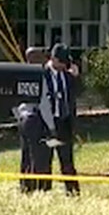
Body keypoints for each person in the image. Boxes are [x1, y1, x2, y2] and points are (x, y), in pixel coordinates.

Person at [15, 47, 55, 193]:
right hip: (37, 119)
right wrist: (51, 127)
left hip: (24, 119)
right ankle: (42, 188)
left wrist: (19, 116)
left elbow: (14, 99)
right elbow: (44, 103)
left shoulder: (21, 75)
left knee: (26, 155)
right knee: (41, 156)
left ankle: (26, 187)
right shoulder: (40, 75)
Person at [43, 43, 80, 194]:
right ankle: (45, 191)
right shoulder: (43, 74)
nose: (65, 65)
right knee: (46, 159)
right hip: (49, 124)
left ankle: (72, 191)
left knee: (67, 160)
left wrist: (76, 77)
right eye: (62, 62)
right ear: (53, 59)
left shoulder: (67, 75)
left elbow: (75, 95)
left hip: (64, 122)